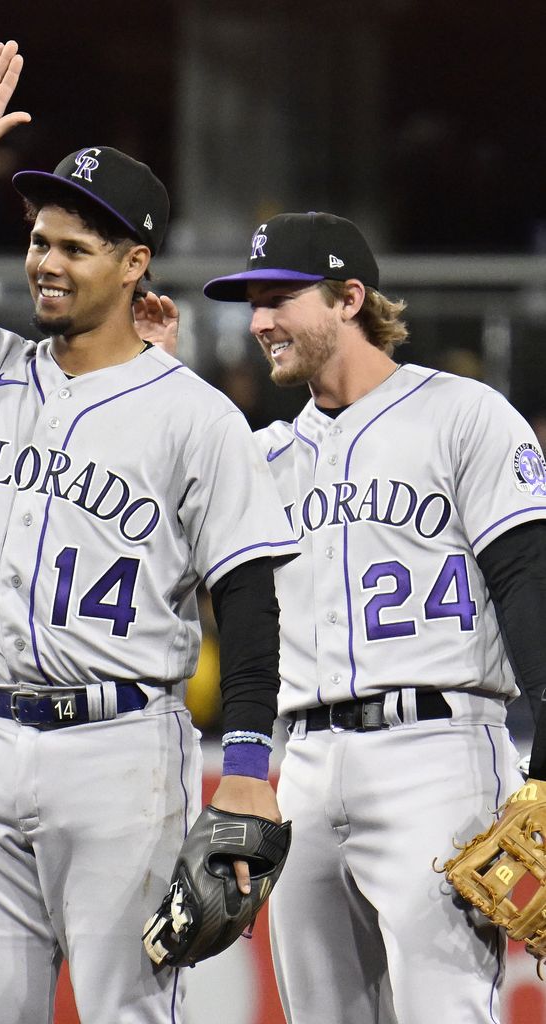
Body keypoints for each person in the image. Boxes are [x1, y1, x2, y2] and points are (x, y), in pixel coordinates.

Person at [0, 41, 298, 1024]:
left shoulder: (191, 413)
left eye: (75, 247)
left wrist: (247, 769)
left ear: (134, 266)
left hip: (121, 747)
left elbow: (247, 603)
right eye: (39, 238)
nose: (45, 260)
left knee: (127, 1011)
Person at [203, 211, 546, 1022]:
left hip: (439, 753)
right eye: (252, 302)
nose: (258, 321)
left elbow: (529, 583)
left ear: (349, 297)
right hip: (308, 764)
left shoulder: (463, 415)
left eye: (278, 297)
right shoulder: (263, 456)